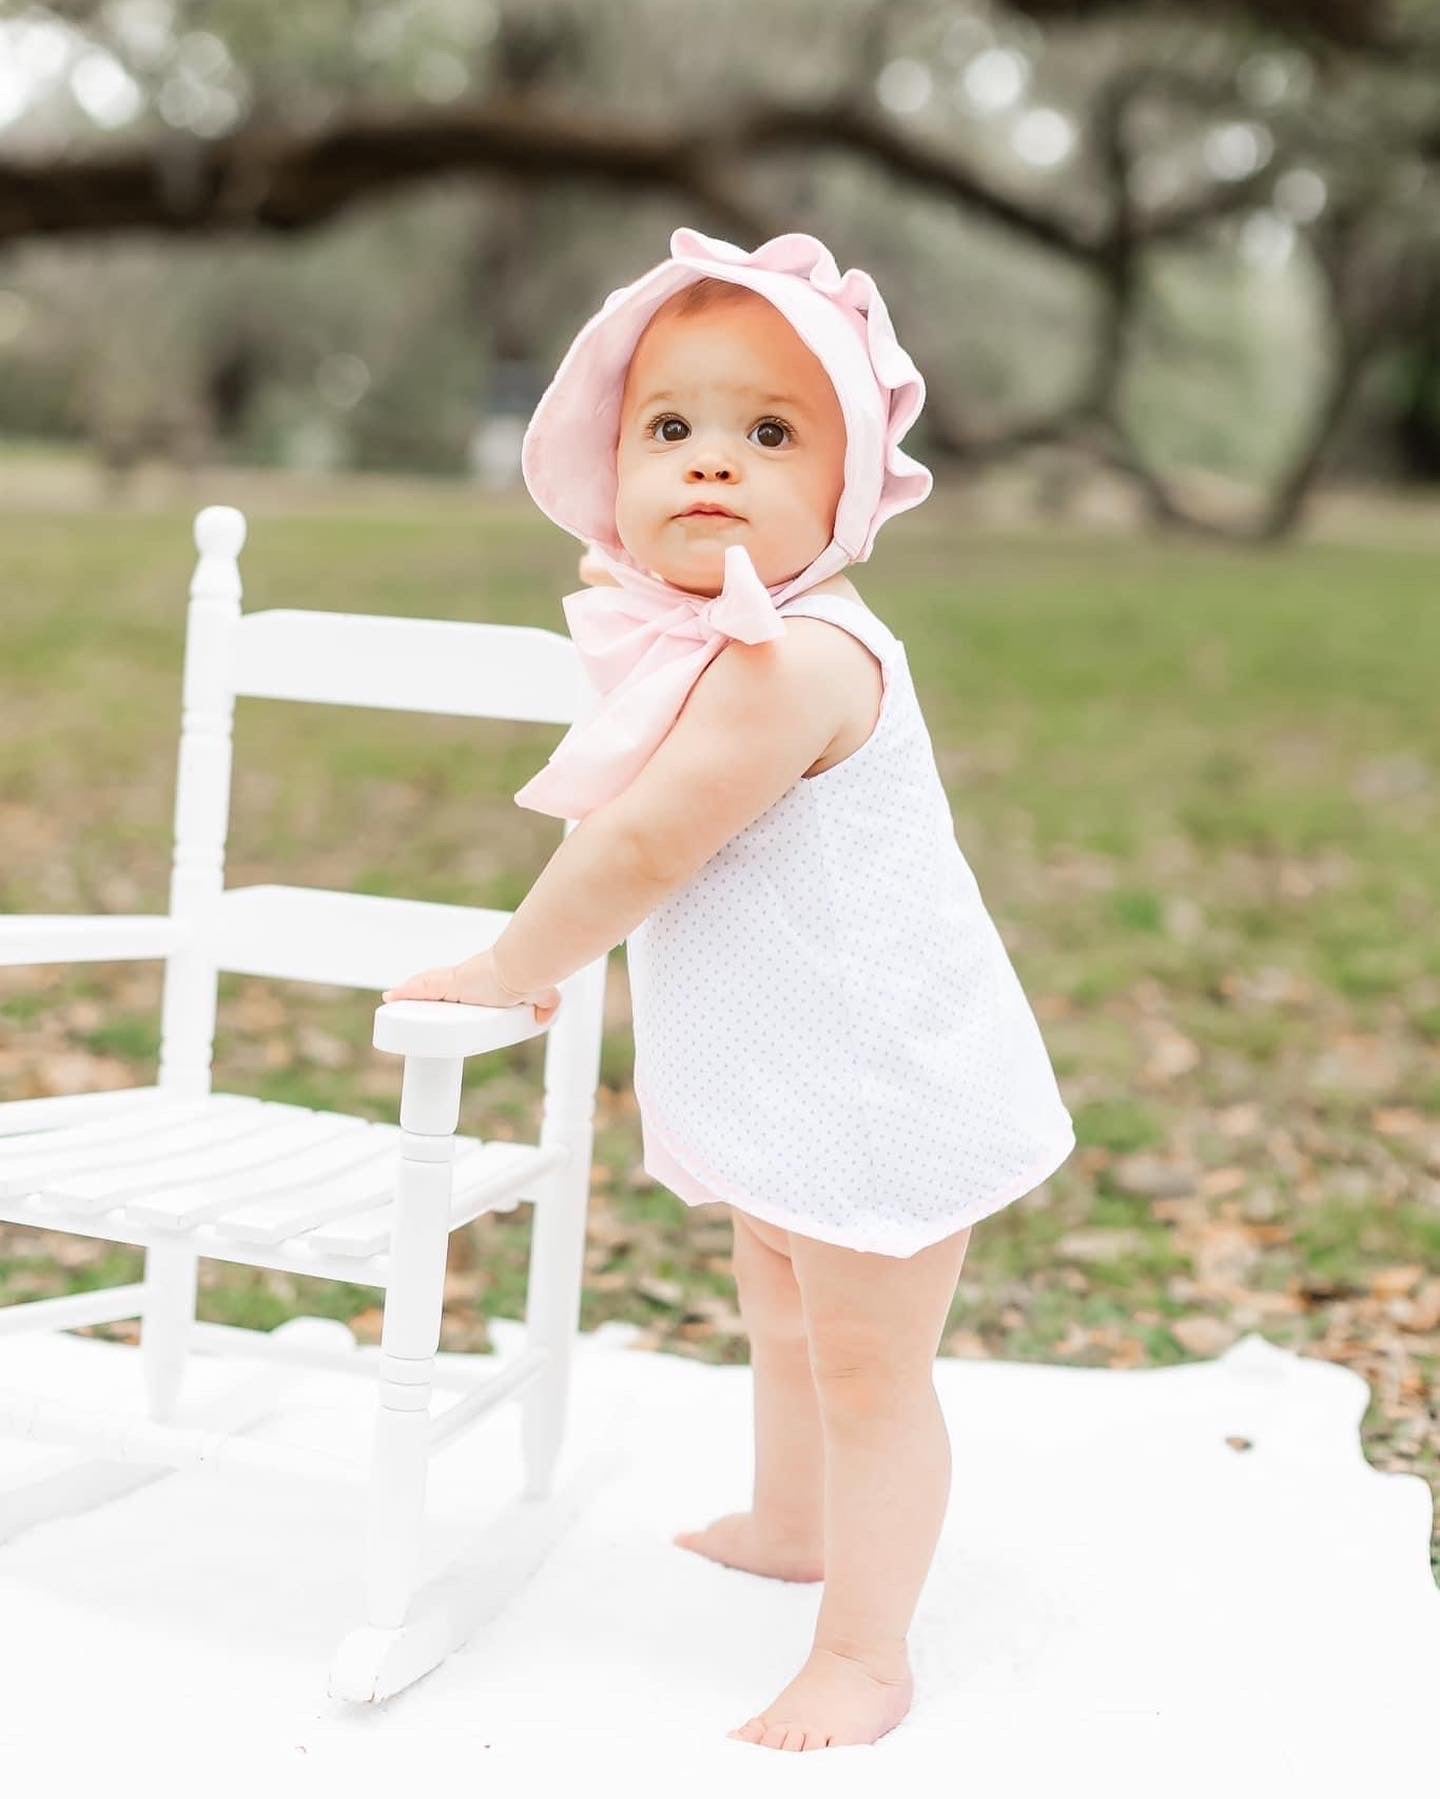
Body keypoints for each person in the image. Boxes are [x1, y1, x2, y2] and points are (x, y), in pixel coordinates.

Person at [383, 226, 1076, 1751]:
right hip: (802, 1072)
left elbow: (638, 847)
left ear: (847, 492)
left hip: (887, 1083)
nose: (712, 464)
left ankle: (869, 1653)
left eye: (770, 434)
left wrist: (515, 967)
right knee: (776, 1299)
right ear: (605, 460)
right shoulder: (714, 643)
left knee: (868, 1363)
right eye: (669, 430)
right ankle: (788, 1522)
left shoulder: (794, 660)